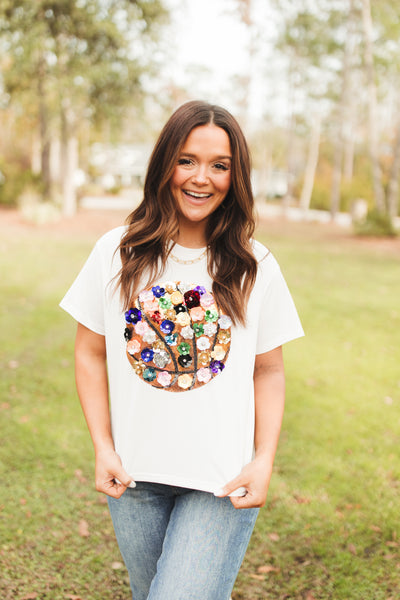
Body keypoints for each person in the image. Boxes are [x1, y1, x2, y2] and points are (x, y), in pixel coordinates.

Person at [60, 100, 304, 600]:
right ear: (164, 163)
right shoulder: (116, 252)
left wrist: (264, 459)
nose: (201, 178)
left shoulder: (254, 265)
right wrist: (103, 447)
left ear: (235, 178)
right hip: (134, 480)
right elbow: (88, 353)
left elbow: (269, 370)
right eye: (187, 160)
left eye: (220, 165)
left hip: (220, 483)